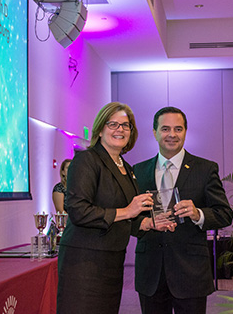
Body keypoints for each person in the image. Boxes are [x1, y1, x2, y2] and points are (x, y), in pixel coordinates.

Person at [131, 106, 233, 314]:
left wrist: (198, 214)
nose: (172, 135)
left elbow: (225, 213)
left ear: (185, 132)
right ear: (155, 133)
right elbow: (128, 217)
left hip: (191, 272)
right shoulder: (138, 171)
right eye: (165, 129)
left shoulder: (205, 169)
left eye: (178, 129)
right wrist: (144, 224)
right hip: (150, 272)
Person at [56, 102, 154, 314]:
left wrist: (148, 223)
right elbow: (78, 211)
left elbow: (127, 217)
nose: (120, 129)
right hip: (85, 263)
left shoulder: (126, 167)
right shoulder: (86, 160)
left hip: (112, 260)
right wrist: (128, 211)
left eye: (125, 125)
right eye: (113, 124)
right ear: (100, 130)